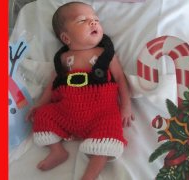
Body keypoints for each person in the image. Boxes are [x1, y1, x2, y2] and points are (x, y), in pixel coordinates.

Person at [27, 2, 134, 180]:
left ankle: (89, 176)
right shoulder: (62, 58)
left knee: (108, 139)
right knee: (42, 116)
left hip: (102, 114)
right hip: (66, 112)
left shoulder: (104, 54)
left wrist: (126, 106)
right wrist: (40, 104)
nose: (93, 23)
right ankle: (57, 151)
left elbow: (121, 80)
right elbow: (52, 84)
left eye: (96, 20)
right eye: (83, 20)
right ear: (66, 38)